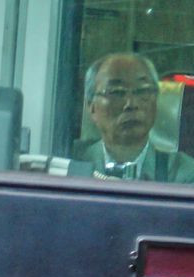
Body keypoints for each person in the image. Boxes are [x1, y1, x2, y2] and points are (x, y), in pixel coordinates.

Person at [54, 51, 182, 180]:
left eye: (143, 91)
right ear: (91, 107)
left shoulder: (182, 174)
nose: (131, 104)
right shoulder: (66, 163)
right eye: (116, 92)